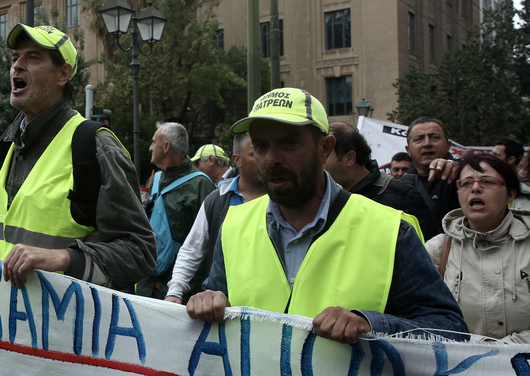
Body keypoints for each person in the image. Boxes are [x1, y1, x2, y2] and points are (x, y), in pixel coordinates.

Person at [186, 88, 468, 344]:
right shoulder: (235, 225)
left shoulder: (391, 230)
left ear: (324, 149)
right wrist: (208, 299)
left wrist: (370, 323)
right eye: (261, 146)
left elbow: (450, 329)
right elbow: (218, 297)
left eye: (289, 143)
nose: (271, 158)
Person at [0, 24, 155, 290]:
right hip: (6, 322)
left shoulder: (96, 145)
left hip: (67, 327)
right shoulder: (7, 145)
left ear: (63, 74)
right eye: (14, 58)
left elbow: (140, 252)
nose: (17, 66)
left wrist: (65, 258)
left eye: (32, 58)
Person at [425, 153, 530, 343]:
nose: (475, 188)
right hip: (460, 369)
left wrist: (504, 349)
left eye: (487, 182)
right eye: (465, 184)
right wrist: (479, 346)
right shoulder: (438, 250)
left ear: (510, 194)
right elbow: (422, 318)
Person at [165, 133, 265, 303]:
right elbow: (192, 249)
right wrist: (175, 292)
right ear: (237, 160)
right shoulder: (216, 201)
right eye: (256, 153)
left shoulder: (283, 202)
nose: (266, 159)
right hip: (221, 312)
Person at [136, 123, 214, 298]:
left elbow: (208, 245)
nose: (150, 148)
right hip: (145, 286)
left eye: (153, 142)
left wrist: (184, 292)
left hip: (178, 295)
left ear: (165, 147)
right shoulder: (153, 181)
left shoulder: (201, 185)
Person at [324, 122, 425, 236]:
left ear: (350, 158)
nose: (315, 163)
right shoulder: (318, 199)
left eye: (325, 155)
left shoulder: (403, 196)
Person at [398, 117, 460, 238]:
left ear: (448, 145)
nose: (427, 143)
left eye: (434, 137)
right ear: (408, 150)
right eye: (419, 139)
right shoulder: (400, 187)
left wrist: (460, 169)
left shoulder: (463, 176)